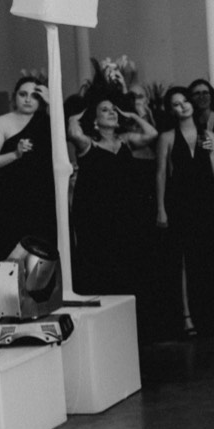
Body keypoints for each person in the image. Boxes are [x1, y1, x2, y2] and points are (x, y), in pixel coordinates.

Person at [68, 83, 158, 296]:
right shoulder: (88, 144)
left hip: (126, 212)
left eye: (113, 110)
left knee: (128, 263)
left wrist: (132, 115)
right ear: (95, 120)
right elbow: (74, 133)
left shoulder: (125, 140)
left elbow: (152, 134)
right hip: (97, 215)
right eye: (105, 110)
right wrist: (75, 117)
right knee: (101, 264)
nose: (112, 113)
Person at [155, 85, 214, 337]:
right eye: (176, 103)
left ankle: (208, 313)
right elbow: (161, 174)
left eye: (184, 101)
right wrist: (161, 209)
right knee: (182, 261)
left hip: (206, 203)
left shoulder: (209, 135)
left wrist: (211, 151)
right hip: (180, 203)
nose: (182, 106)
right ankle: (186, 316)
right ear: (171, 110)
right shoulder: (167, 137)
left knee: (206, 258)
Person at [0, 76, 57, 261]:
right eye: (23, 94)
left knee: (43, 257)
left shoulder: (48, 121)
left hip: (44, 200)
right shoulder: (2, 122)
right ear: (15, 96)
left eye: (34, 96)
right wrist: (15, 154)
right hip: (12, 200)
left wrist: (52, 103)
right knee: (12, 257)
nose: (28, 99)